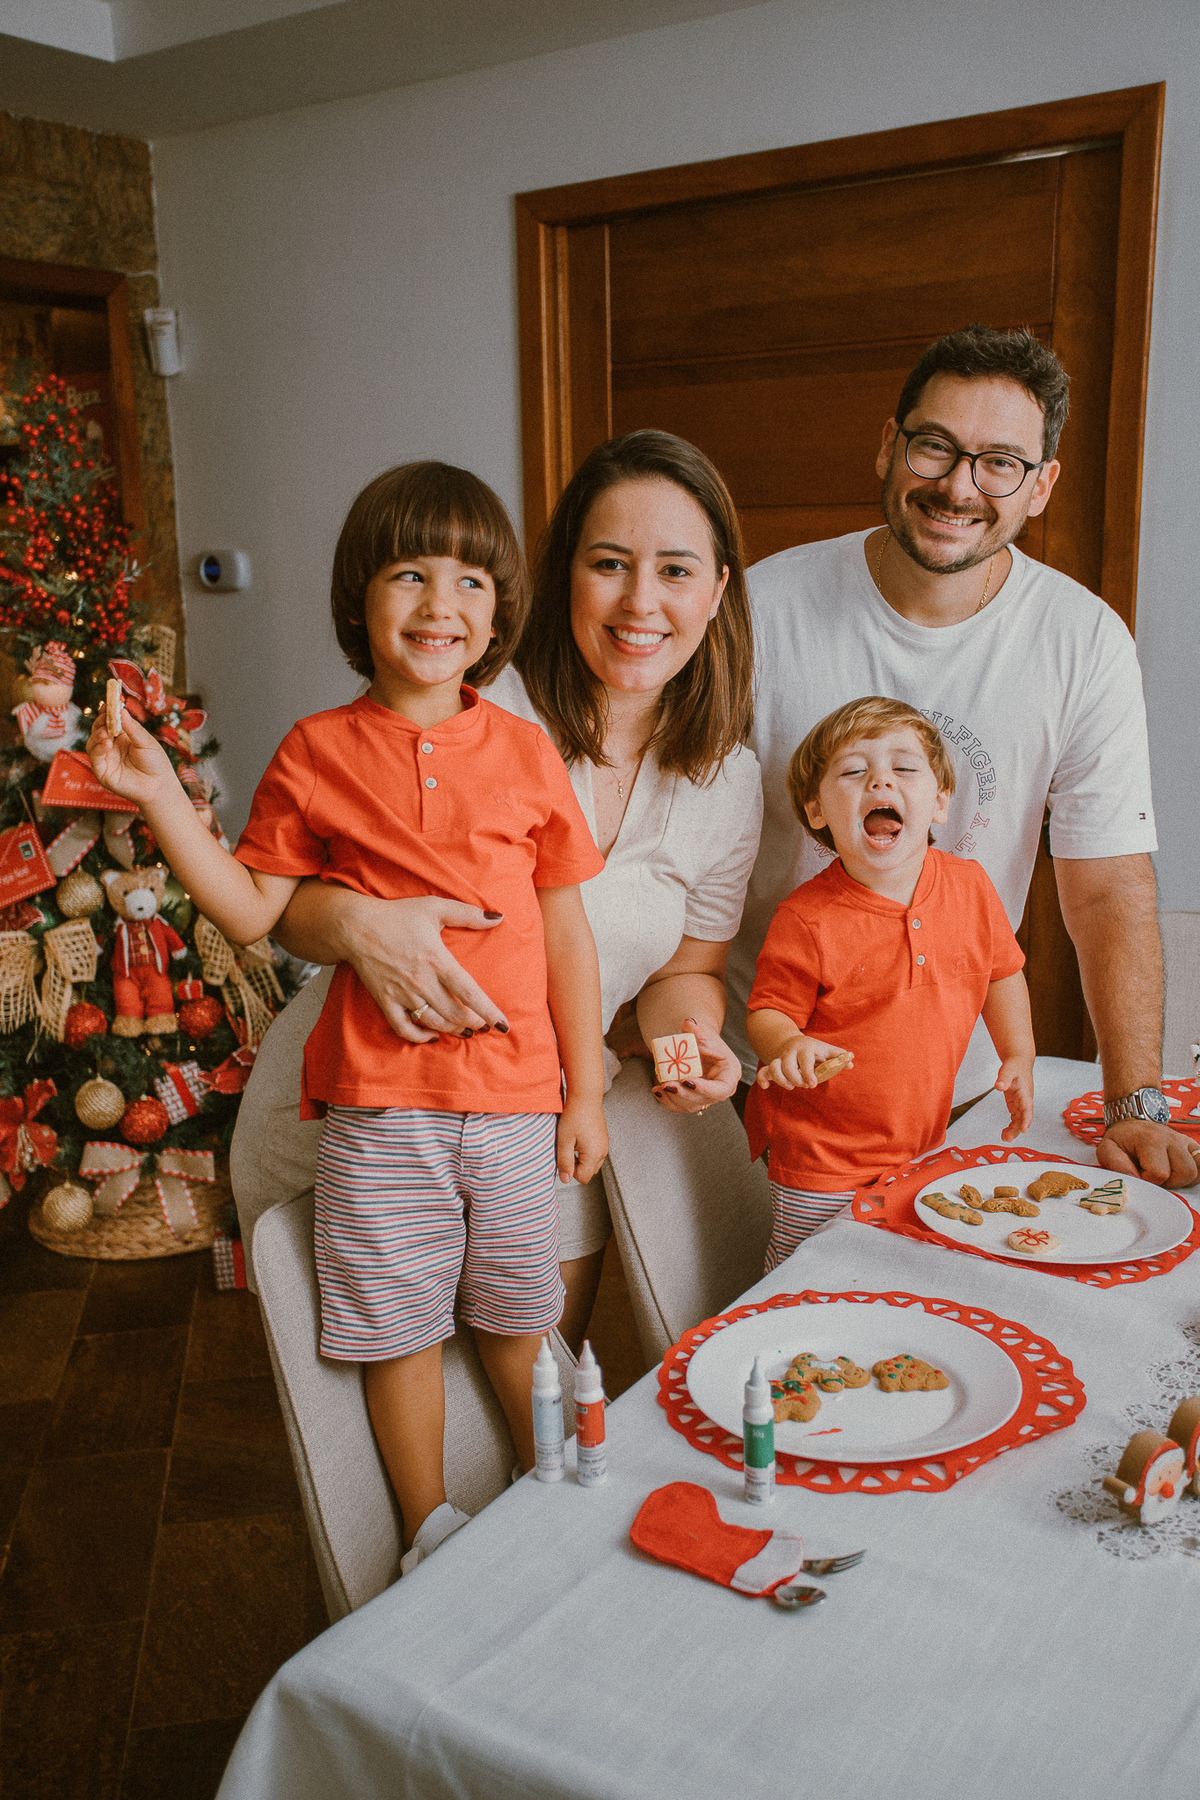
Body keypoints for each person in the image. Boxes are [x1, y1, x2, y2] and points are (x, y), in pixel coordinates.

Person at [86, 461, 608, 1571]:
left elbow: (567, 933)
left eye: (470, 581)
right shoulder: (316, 752)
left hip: (517, 1104)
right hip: (380, 1107)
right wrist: (164, 797)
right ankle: (428, 1531)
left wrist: (587, 1094)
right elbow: (250, 910)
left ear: (499, 615)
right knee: (396, 1328)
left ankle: (555, 1508)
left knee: (520, 1317)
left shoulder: (527, 753)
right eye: (409, 574)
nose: (439, 604)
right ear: (358, 599)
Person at [271, 430, 763, 1348]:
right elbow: (281, 905)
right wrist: (359, 923)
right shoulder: (469, 702)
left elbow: (683, 973)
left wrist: (693, 1044)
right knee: (381, 1380)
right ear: (560, 574)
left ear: (718, 590)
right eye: (608, 564)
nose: (640, 601)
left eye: (675, 570)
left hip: (545, 1112)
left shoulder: (727, 780)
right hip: (369, 1100)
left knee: (529, 1375)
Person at [726, 323, 1199, 1189]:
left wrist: (1135, 1102)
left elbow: (1107, 888)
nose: (957, 486)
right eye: (935, 447)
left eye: (1000, 464)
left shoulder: (1083, 640)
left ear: (1041, 485)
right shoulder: (763, 607)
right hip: (759, 1074)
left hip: (959, 1092)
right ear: (889, 445)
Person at [745, 696, 1034, 1267]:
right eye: (853, 771)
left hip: (921, 1146)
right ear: (817, 810)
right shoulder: (806, 918)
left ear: (940, 801)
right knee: (811, 1275)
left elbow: (1002, 973)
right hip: (820, 1159)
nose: (880, 780)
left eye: (903, 767)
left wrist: (1019, 1053)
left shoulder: (971, 887)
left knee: (894, 1266)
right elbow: (767, 1013)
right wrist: (787, 1044)